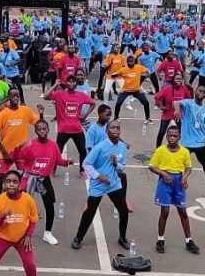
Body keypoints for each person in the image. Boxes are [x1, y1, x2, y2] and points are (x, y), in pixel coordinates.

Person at [72, 120, 130, 250]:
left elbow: (122, 168)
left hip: (114, 184)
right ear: (106, 131)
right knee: (89, 212)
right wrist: (99, 177)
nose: (116, 130)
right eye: (112, 127)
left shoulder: (122, 147)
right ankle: (78, 238)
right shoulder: (100, 147)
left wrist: (116, 164)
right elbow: (86, 164)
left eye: (118, 128)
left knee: (123, 210)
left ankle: (122, 238)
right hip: (98, 185)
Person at [14, 119, 70, 246]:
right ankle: (21, 231)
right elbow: (18, 158)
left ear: (48, 129)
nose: (42, 131)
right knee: (23, 205)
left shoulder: (53, 145)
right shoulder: (30, 145)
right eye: (39, 129)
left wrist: (67, 162)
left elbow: (58, 160)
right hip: (29, 177)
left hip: (44, 179)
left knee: (49, 205)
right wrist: (17, 149)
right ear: (35, 131)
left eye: (44, 129)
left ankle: (47, 233)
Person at [147, 126, 199, 254]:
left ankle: (189, 240)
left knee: (183, 212)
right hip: (165, 181)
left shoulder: (184, 152)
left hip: (178, 182)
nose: (172, 138)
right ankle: (160, 239)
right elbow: (152, 166)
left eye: (175, 136)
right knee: (165, 211)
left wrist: (185, 177)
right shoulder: (160, 150)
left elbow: (188, 168)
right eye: (169, 135)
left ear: (179, 137)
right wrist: (163, 174)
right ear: (166, 136)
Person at [0, 89, 44, 195]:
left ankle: (22, 198)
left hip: (22, 151)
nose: (15, 98)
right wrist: (4, 152)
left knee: (28, 175)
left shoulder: (26, 110)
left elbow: (39, 123)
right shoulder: (3, 114)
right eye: (13, 95)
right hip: (6, 151)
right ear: (8, 97)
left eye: (17, 96)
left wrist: (41, 114)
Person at [44, 75, 94, 178]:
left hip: (77, 129)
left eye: (73, 81)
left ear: (76, 84)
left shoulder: (81, 95)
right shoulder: (59, 94)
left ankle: (82, 171)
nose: (71, 83)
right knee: (57, 151)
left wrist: (85, 115)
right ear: (66, 83)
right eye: (69, 81)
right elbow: (45, 97)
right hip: (63, 129)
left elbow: (93, 103)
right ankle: (52, 170)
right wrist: (55, 85)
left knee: (82, 151)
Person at [177, 85, 205, 199]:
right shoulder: (188, 103)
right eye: (200, 91)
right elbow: (177, 103)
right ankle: (177, 187)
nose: (202, 93)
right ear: (195, 91)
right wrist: (177, 111)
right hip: (185, 142)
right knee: (178, 166)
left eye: (204, 92)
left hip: (200, 142)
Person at [154, 72, 193, 147]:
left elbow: (190, 99)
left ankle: (178, 147)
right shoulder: (167, 88)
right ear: (173, 80)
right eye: (177, 79)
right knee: (161, 132)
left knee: (180, 133)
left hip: (179, 114)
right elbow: (156, 97)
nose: (179, 80)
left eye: (180, 79)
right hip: (167, 113)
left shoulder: (184, 88)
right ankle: (157, 148)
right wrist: (161, 106)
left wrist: (191, 89)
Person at [113, 55, 152, 122]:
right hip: (125, 90)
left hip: (136, 90)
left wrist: (148, 73)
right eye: (129, 62)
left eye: (132, 61)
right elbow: (116, 74)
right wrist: (114, 75)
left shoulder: (139, 67)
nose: (131, 63)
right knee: (118, 103)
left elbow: (147, 70)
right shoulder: (123, 69)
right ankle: (116, 117)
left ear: (134, 61)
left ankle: (148, 118)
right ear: (127, 62)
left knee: (146, 102)